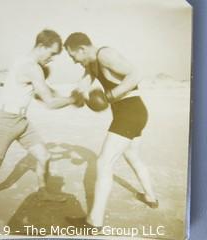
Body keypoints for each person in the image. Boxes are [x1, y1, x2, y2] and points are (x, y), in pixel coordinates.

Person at [0, 29, 76, 225]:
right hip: (5, 121)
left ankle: (43, 192)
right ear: (42, 47)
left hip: (22, 122)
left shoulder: (23, 61)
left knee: (44, 156)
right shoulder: (31, 67)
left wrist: (69, 97)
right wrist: (74, 99)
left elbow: (45, 91)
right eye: (51, 54)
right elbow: (49, 101)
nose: (51, 59)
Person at [64, 32, 158, 228]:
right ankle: (150, 197)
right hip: (131, 114)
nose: (73, 61)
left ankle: (93, 222)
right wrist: (77, 95)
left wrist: (110, 95)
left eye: (73, 56)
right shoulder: (91, 63)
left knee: (103, 163)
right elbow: (84, 82)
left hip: (130, 113)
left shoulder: (105, 55)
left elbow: (136, 74)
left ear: (82, 49)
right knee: (132, 157)